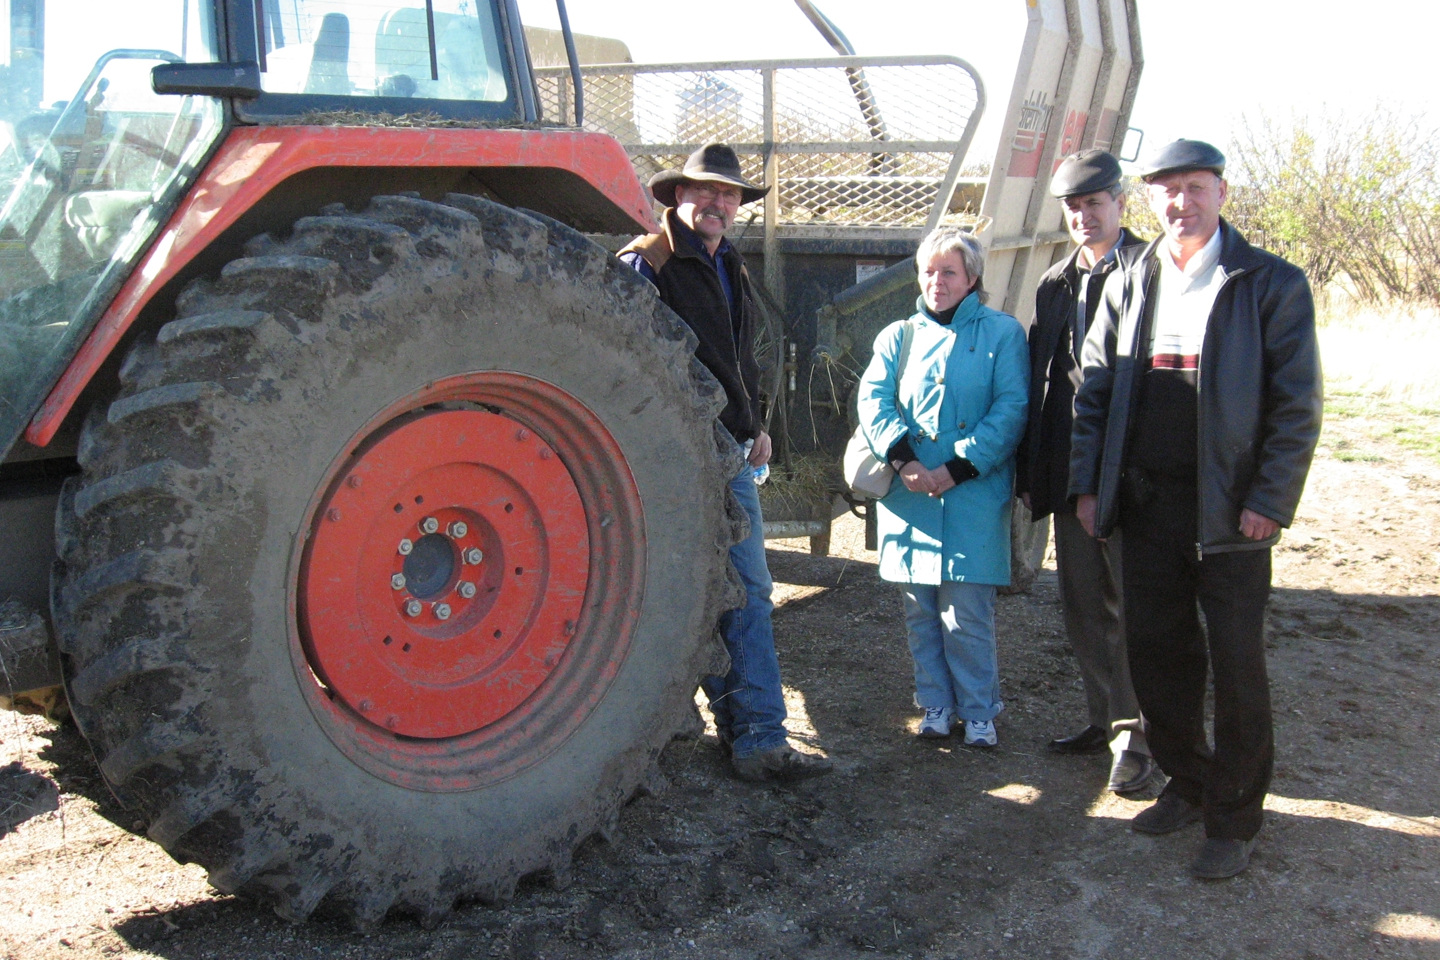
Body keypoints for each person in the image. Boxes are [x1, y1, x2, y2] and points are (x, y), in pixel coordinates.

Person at [1069, 139, 1322, 878]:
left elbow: (1295, 405)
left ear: (1221, 192)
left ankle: (1236, 818)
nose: (1181, 202)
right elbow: (1095, 391)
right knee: (1157, 655)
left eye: (1195, 187)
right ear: (1150, 199)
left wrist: (1269, 501)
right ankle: (1188, 779)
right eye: (1167, 190)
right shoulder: (1130, 279)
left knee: (1238, 666)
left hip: (1232, 514)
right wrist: (1091, 487)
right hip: (1146, 507)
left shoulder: (1268, 283)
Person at [618, 143, 832, 784]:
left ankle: (753, 737)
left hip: (730, 450)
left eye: (730, 195)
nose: (718, 203)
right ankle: (742, 735)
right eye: (705, 192)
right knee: (692, 588)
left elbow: (739, 356)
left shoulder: (727, 262)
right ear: (676, 198)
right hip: (676, 457)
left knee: (745, 588)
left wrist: (755, 423)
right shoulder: (645, 265)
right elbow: (625, 368)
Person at [855, 228, 1028, 748]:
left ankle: (978, 711)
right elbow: (873, 401)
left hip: (973, 493)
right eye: (928, 271)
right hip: (910, 496)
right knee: (921, 612)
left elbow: (1011, 408)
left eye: (948, 271)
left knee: (967, 611)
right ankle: (934, 705)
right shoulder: (896, 336)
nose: (936, 281)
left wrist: (958, 467)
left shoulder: (1003, 334)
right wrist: (905, 460)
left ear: (972, 278)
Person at [1016, 149, 1153, 794]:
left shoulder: (1152, 272)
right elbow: (1046, 384)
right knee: (1080, 604)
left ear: (1120, 203)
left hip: (1131, 470)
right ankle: (1104, 719)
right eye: (1073, 207)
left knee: (1133, 602)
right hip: (1071, 465)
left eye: (1094, 203)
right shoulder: (1055, 282)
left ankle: (1139, 735)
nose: (1083, 217)